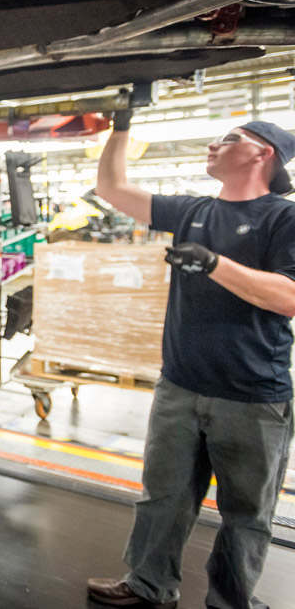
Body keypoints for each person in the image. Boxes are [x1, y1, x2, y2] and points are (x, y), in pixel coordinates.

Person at [88, 113, 295, 609]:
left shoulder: (283, 218)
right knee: (163, 498)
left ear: (262, 154)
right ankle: (147, 584)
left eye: (229, 139)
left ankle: (231, 600)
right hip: (180, 384)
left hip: (251, 394)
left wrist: (213, 264)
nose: (212, 144)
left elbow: (289, 297)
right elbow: (112, 187)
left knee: (246, 512)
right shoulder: (190, 210)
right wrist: (121, 124)